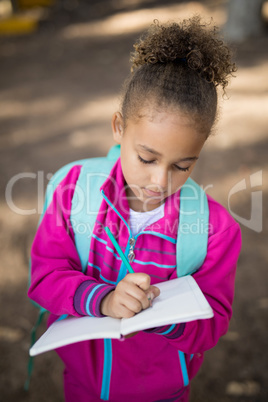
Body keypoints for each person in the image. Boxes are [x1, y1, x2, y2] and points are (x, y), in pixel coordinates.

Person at [28, 16, 241, 402]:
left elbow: (213, 322)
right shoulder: (74, 191)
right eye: (146, 157)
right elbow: (45, 278)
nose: (160, 181)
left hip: (164, 391)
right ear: (118, 127)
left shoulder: (216, 229)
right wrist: (103, 301)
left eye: (182, 165)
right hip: (84, 384)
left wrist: (165, 318)